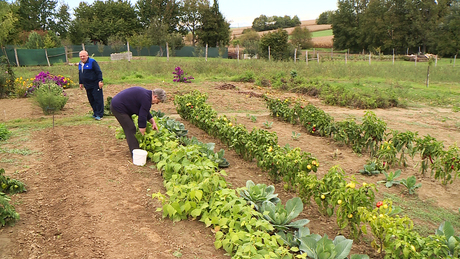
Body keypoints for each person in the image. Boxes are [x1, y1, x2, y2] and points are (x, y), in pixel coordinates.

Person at [110, 87, 166, 155]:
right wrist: (142, 133)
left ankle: (136, 149)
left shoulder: (147, 96)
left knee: (131, 128)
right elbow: (142, 117)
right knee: (130, 128)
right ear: (155, 96)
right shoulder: (146, 99)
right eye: (158, 101)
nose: (157, 103)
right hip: (118, 107)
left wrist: (152, 121)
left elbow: (144, 111)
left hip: (122, 106)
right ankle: (135, 152)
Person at [78, 50, 104, 121]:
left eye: (84, 56)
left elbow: (98, 72)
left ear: (87, 56)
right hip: (87, 85)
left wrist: (100, 81)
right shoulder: (80, 64)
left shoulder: (92, 62)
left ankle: (100, 114)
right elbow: (80, 74)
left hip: (95, 84)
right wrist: (80, 83)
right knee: (91, 99)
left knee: (98, 99)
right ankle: (95, 113)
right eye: (81, 56)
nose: (82, 57)